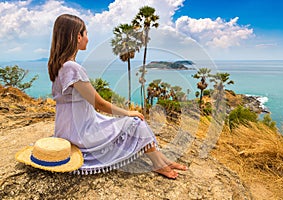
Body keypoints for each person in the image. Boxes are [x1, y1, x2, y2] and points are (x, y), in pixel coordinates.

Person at [48, 14, 187, 179]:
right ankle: (159, 163)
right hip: (81, 132)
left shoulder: (59, 65)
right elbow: (98, 103)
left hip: (68, 129)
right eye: (86, 34)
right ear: (78, 36)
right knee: (135, 121)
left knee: (132, 122)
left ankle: (163, 160)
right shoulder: (72, 68)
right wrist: (128, 113)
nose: (87, 38)